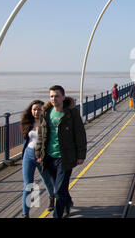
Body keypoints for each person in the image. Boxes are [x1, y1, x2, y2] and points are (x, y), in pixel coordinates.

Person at [35, 85, 87, 218]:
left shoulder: (71, 113)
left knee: (58, 190)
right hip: (49, 157)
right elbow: (41, 135)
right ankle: (67, 202)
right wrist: (39, 153)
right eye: (51, 96)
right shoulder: (46, 113)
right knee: (60, 187)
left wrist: (81, 155)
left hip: (65, 157)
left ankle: (57, 215)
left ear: (63, 97)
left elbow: (80, 134)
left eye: (57, 96)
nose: (54, 99)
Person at [21, 100, 55, 218]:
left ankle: (51, 198)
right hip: (28, 155)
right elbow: (28, 140)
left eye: (39, 109)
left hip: (42, 156)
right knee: (28, 185)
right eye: (34, 109)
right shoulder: (27, 123)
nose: (36, 112)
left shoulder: (48, 123)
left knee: (46, 180)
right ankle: (26, 213)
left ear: (44, 110)